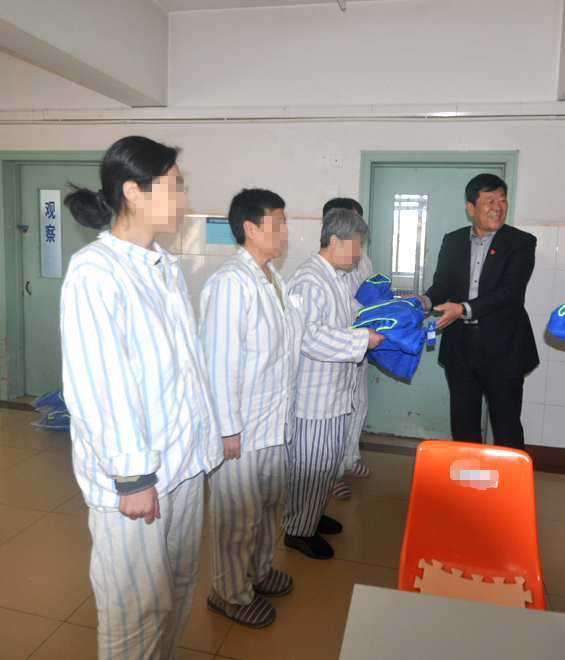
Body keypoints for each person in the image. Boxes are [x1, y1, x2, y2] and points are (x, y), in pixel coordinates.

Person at [61, 135, 224, 659]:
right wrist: (134, 476)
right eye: (175, 185)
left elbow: (184, 370)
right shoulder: (95, 271)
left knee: (177, 587)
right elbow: (99, 382)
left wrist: (207, 442)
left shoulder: (162, 266)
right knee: (135, 610)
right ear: (133, 191)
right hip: (135, 480)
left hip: (181, 465)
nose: (183, 198)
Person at [201, 189, 298, 628]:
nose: (285, 231)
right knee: (237, 517)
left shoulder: (271, 278)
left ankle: (257, 572)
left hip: (272, 422)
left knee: (267, 506)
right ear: (250, 229)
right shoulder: (230, 283)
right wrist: (227, 430)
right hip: (241, 428)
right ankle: (229, 593)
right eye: (278, 222)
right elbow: (219, 364)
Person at [282, 208, 384, 559]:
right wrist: (362, 340)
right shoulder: (310, 280)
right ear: (336, 241)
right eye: (356, 245)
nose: (359, 253)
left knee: (326, 463)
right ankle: (297, 531)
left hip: (334, 392)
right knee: (312, 463)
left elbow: (351, 315)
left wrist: (385, 318)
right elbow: (310, 337)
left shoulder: (336, 277)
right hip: (315, 397)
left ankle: (310, 515)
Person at [414, 173, 539, 450]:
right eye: (489, 200)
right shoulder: (453, 240)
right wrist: (423, 301)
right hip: (460, 345)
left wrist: (463, 309)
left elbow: (510, 291)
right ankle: (470, 476)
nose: (498, 207)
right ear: (471, 208)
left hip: (503, 345)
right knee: (463, 424)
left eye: (502, 200)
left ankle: (507, 478)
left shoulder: (521, 242)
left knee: (506, 425)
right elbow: (443, 285)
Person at [324, 198, 373, 501]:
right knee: (337, 414)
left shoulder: (362, 258)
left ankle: (349, 459)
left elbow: (367, 297)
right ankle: (330, 475)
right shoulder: (324, 269)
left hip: (360, 343)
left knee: (359, 404)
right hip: (339, 349)